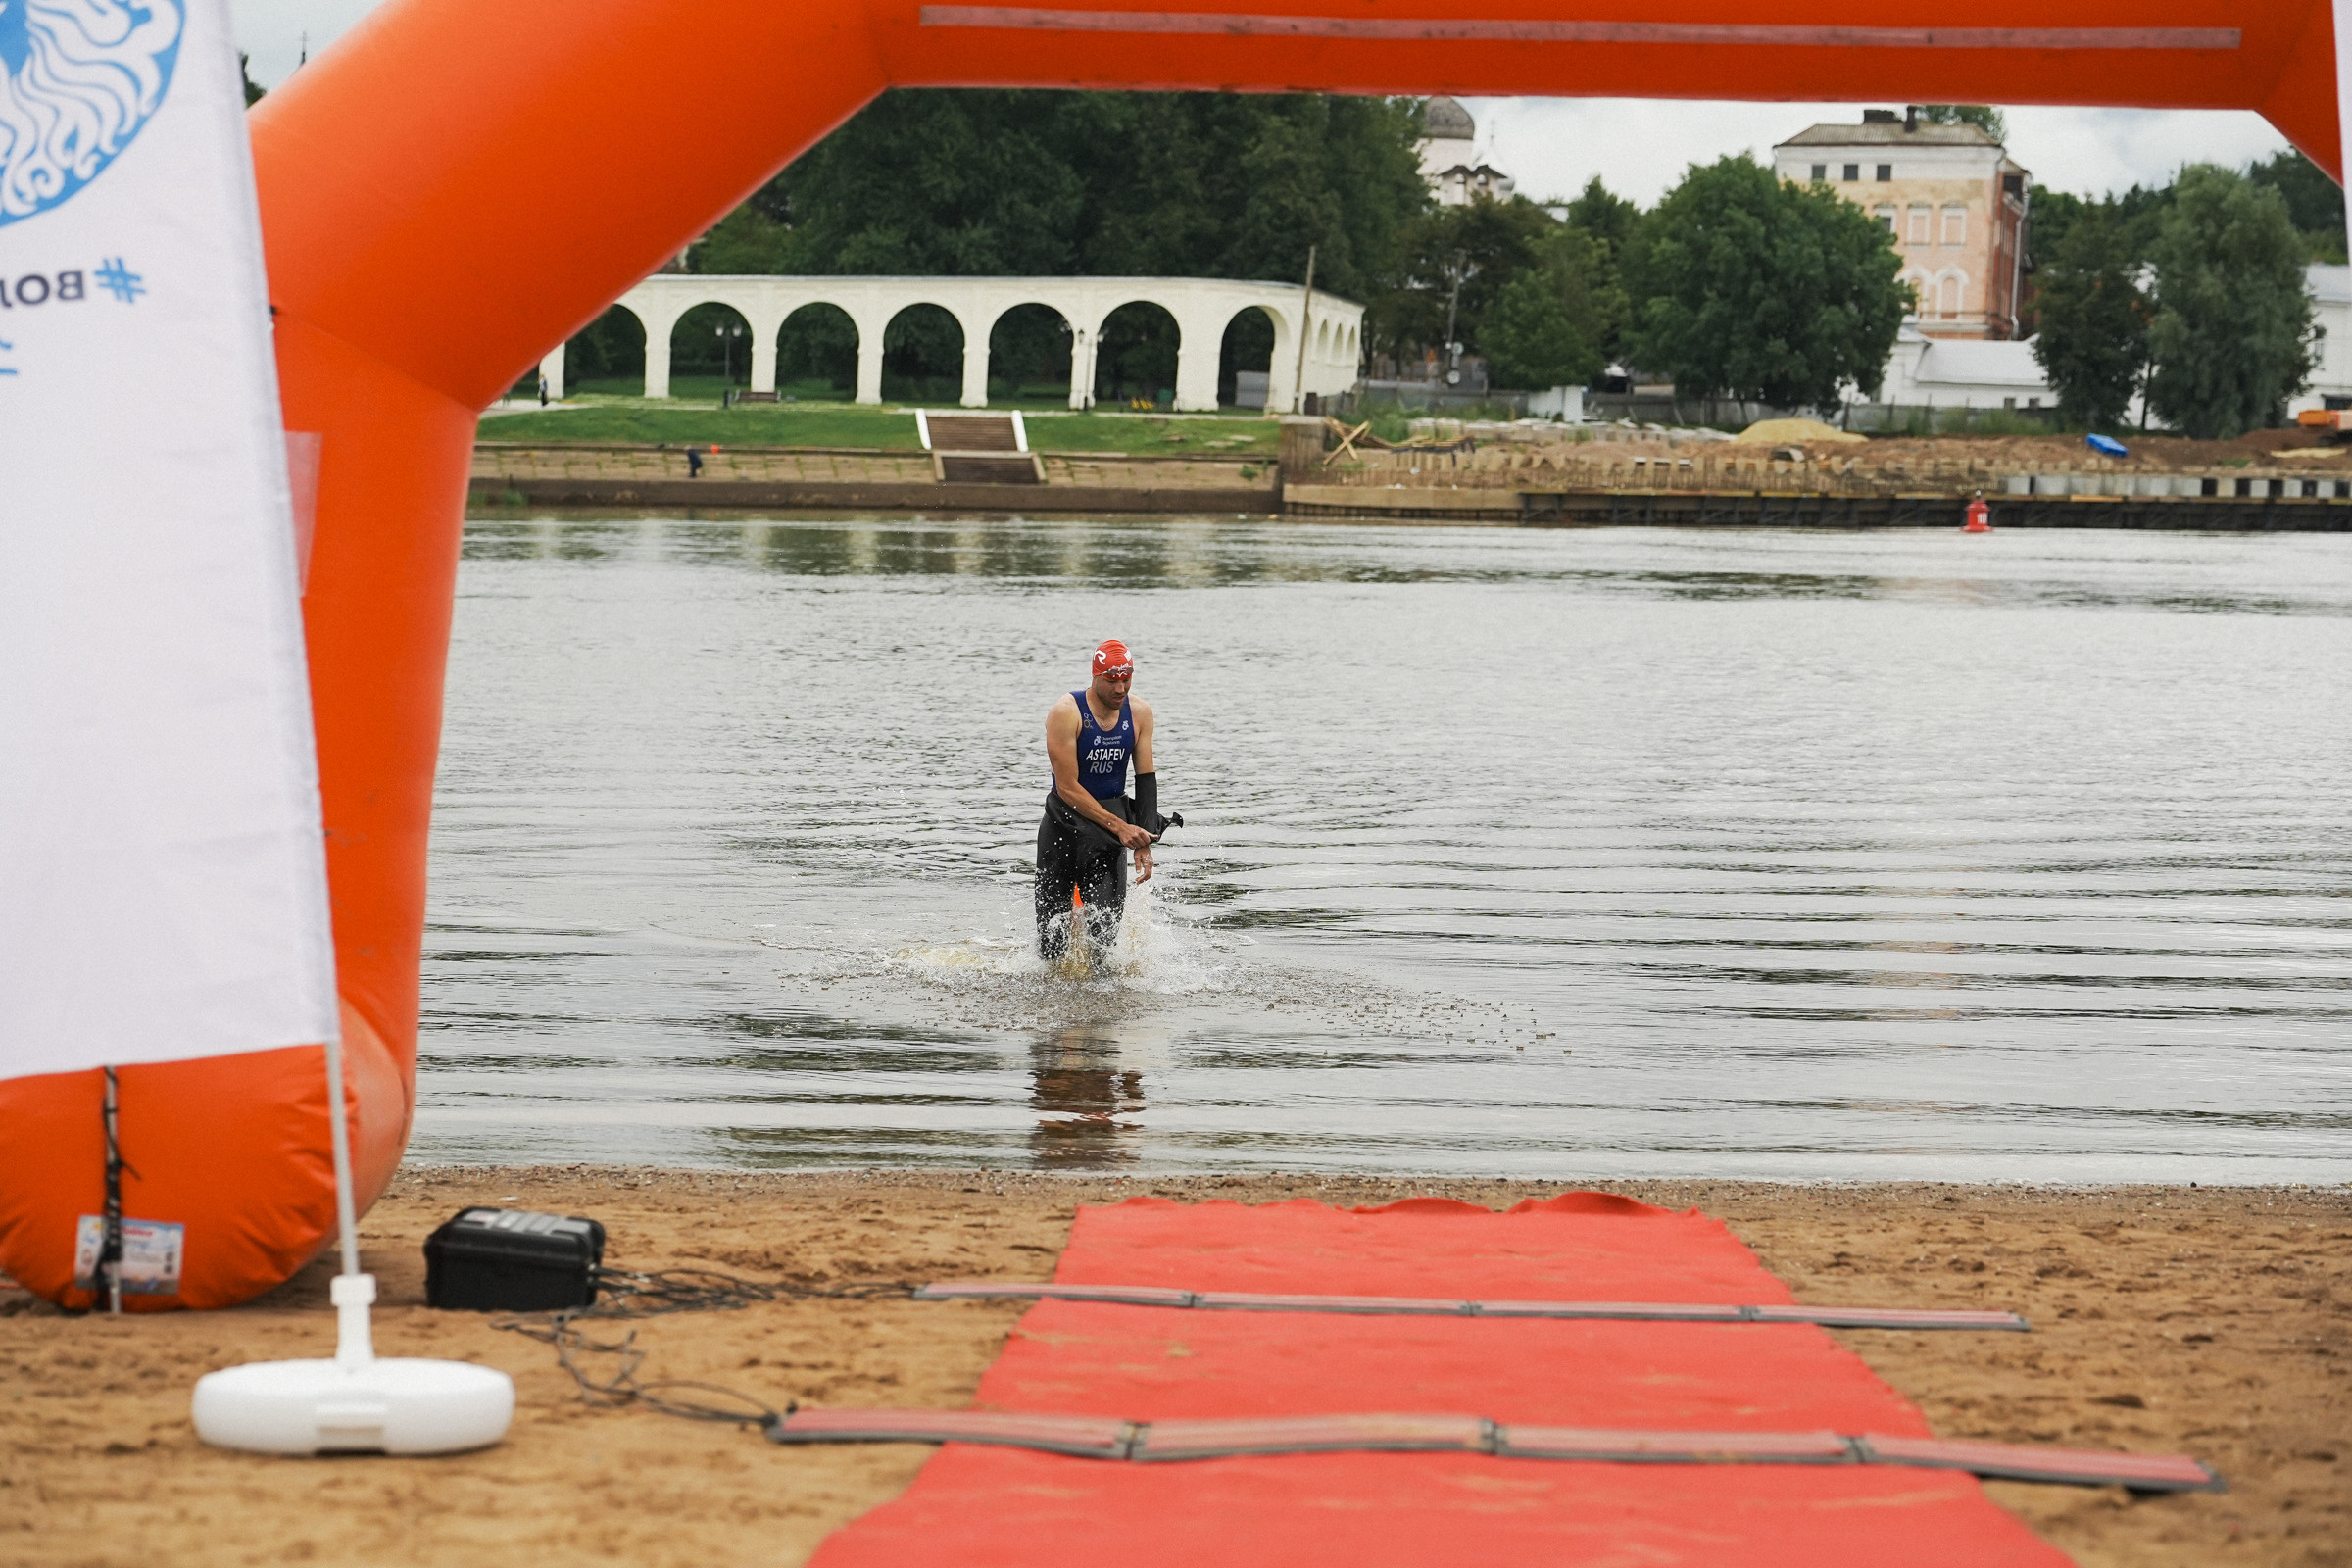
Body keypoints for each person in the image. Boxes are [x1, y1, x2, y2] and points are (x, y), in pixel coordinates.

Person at [1036, 639, 1166, 965]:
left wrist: (1144, 840)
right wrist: (1122, 827)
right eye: (1112, 679)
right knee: (1052, 946)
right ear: (1095, 676)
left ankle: (1100, 1013)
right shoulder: (1066, 712)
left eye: (1127, 678)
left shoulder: (1140, 713)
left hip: (1107, 838)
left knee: (1103, 945)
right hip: (1063, 828)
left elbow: (1145, 780)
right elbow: (1067, 787)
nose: (1120, 687)